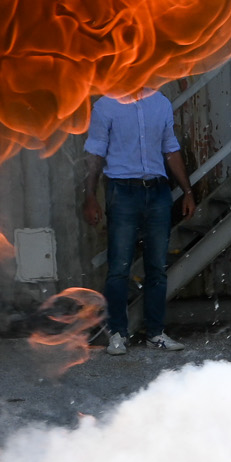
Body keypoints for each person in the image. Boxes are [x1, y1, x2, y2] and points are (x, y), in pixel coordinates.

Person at [85, 85, 193, 354]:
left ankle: (155, 333)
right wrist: (89, 195)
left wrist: (188, 191)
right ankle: (117, 334)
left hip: (158, 191)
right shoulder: (106, 106)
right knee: (119, 267)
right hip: (122, 191)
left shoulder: (160, 103)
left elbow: (170, 148)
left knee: (157, 267)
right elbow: (95, 153)